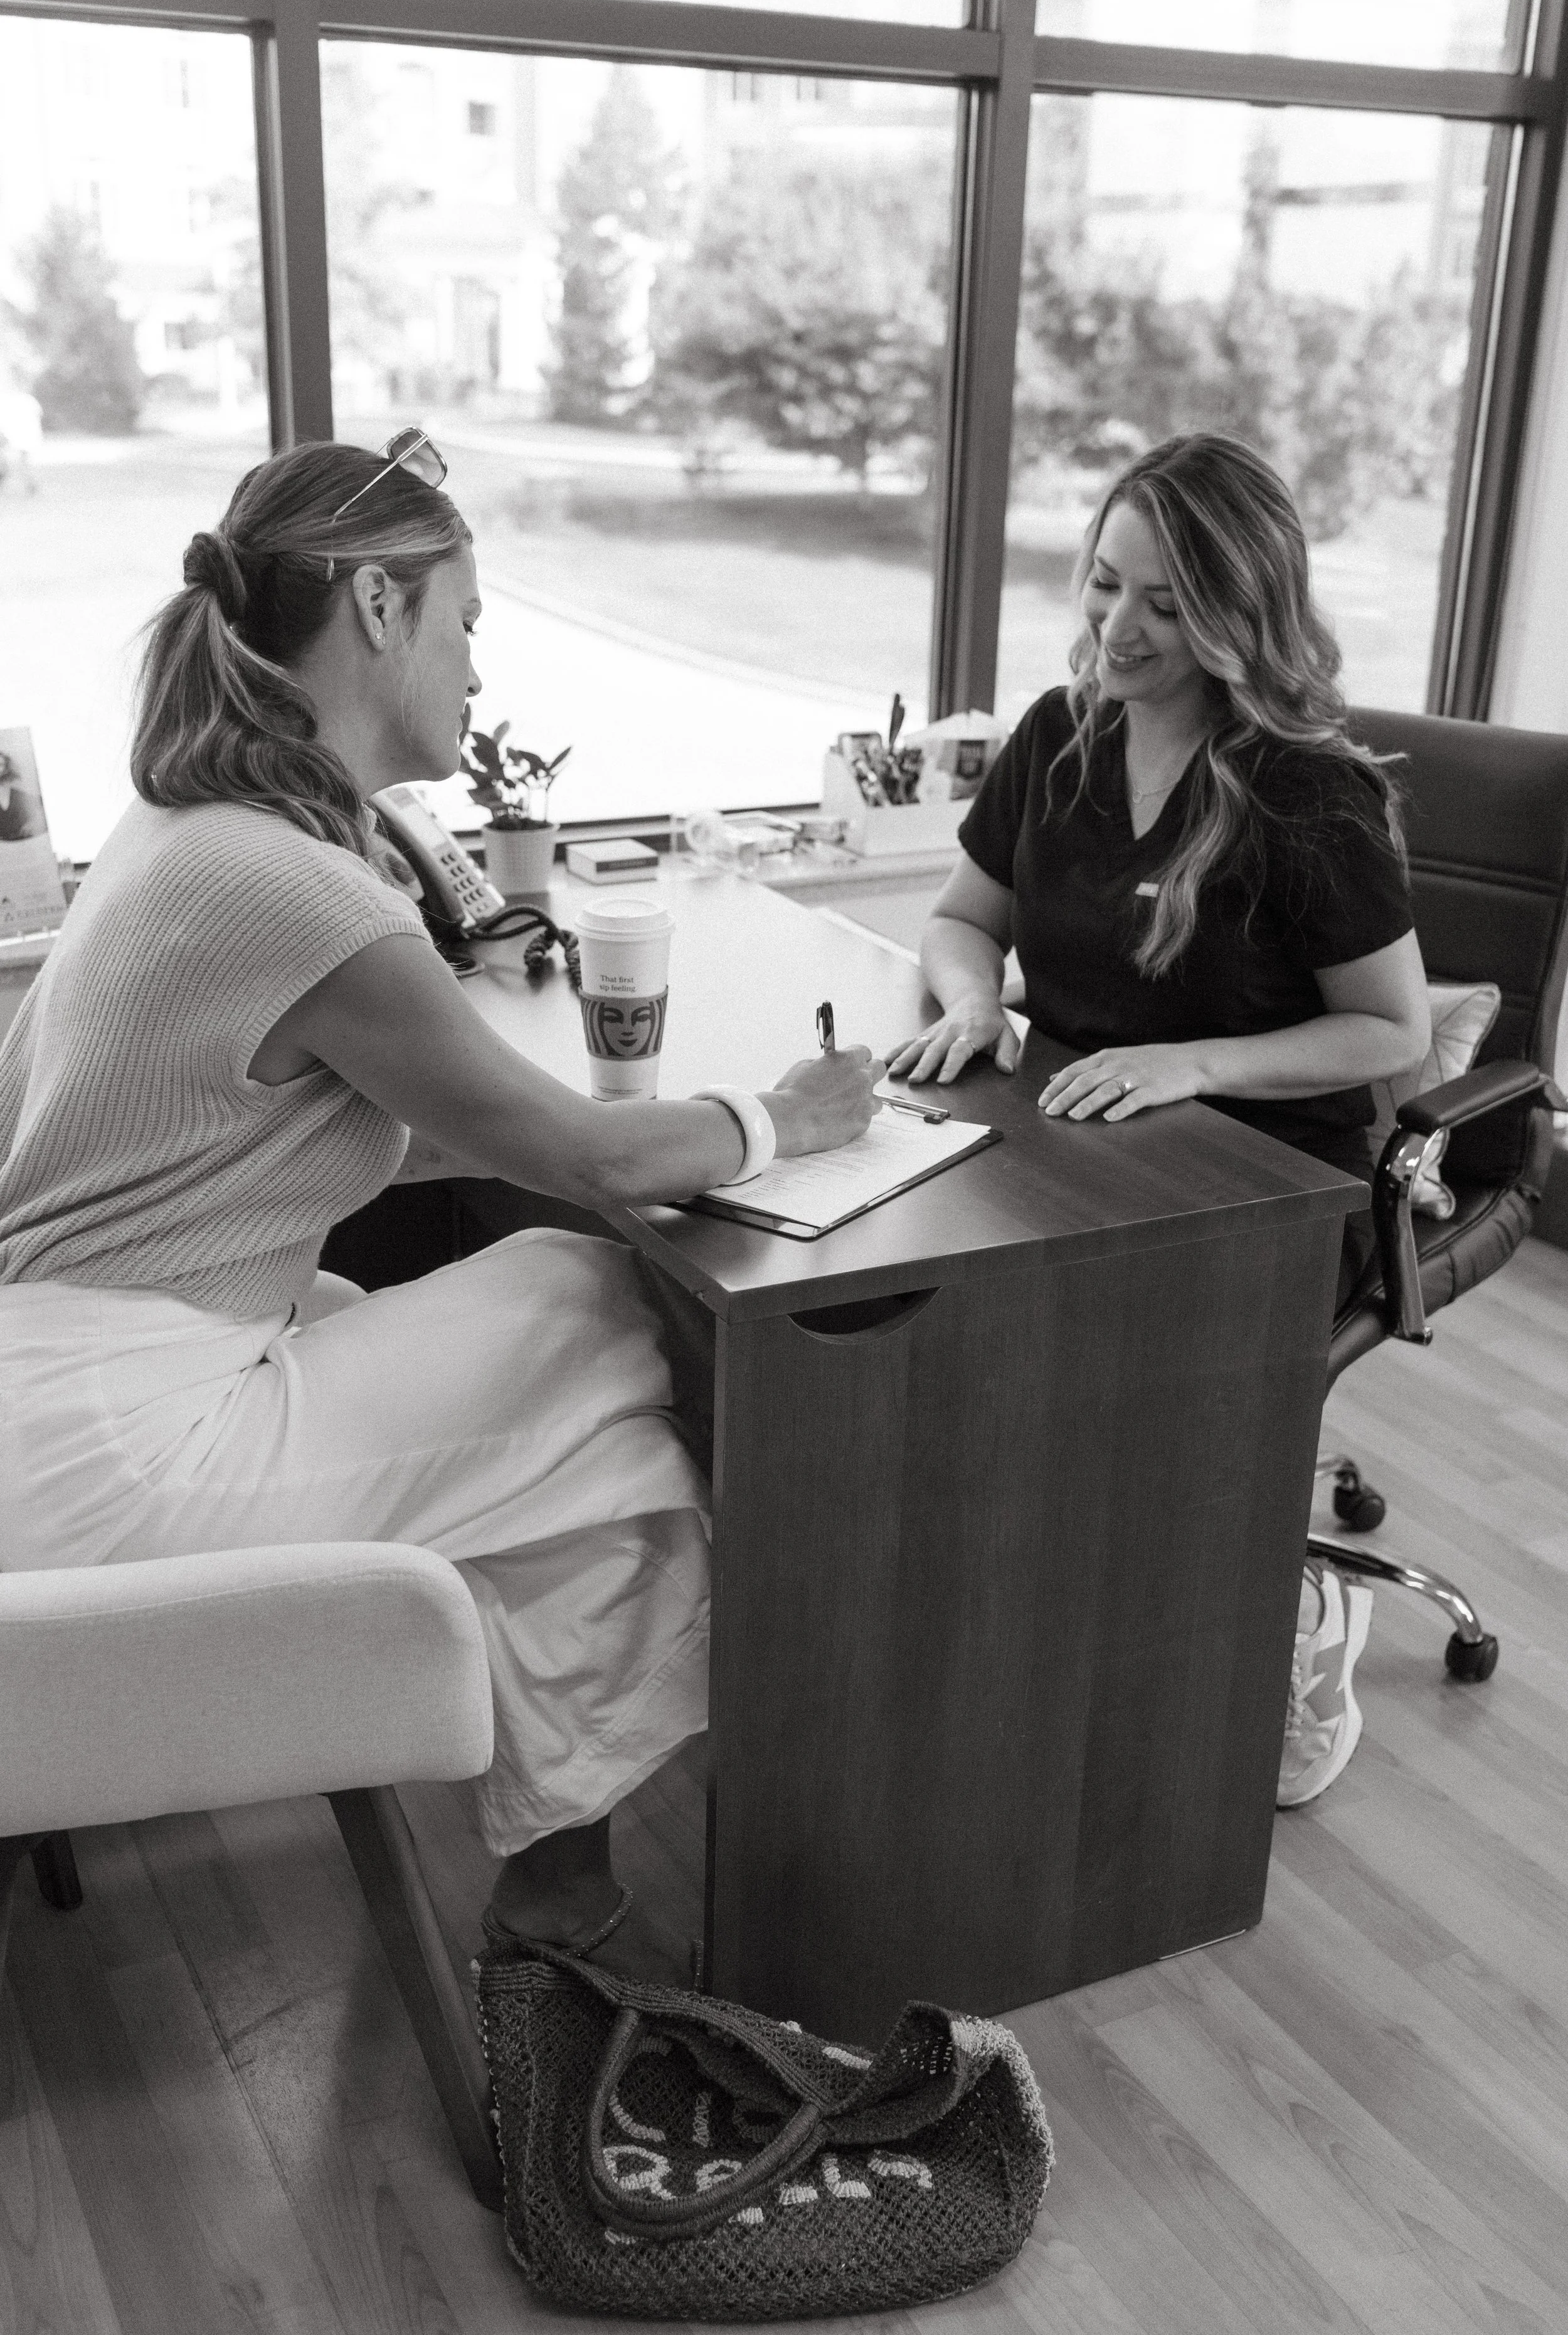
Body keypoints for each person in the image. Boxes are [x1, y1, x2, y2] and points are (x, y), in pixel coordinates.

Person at [0, 432, 877, 1973]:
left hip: (60, 1396)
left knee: (552, 1348)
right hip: (111, 1452)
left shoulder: (183, 834)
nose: (477, 672)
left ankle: (560, 1872)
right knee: (594, 1336)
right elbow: (588, 1165)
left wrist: (556, 1133)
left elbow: (273, 1151)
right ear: (380, 611)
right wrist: (773, 1120)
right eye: (467, 621)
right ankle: (563, 1885)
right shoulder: (293, 883)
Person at [888, 431, 1430, 1808]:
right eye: (1101, 585)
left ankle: (1305, 1619)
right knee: (955, 1356)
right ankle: (1025, 1660)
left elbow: (1390, 1030)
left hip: (1266, 1177)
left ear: (1238, 610)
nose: (1115, 629)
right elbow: (962, 921)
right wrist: (970, 1006)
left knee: (1130, 1419)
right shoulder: (1058, 739)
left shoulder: (1307, 793)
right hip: (1068, 1141)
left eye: (1165, 604)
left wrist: (1195, 1063)